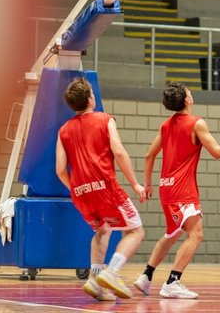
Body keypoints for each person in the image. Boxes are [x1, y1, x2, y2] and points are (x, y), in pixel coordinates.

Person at [134, 82, 220, 299]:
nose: (191, 93)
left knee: (172, 234)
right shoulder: (196, 123)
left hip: (166, 190)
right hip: (183, 192)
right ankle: (172, 281)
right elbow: (217, 152)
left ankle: (146, 276)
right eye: (189, 92)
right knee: (196, 234)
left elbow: (148, 155)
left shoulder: (165, 126)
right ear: (187, 100)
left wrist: (148, 184)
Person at [55, 76, 146, 302]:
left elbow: (59, 169)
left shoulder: (63, 130)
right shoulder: (105, 119)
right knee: (135, 231)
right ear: (90, 98)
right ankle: (111, 272)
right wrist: (135, 183)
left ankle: (95, 281)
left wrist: (76, 188)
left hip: (80, 193)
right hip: (105, 188)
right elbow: (119, 151)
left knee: (102, 230)